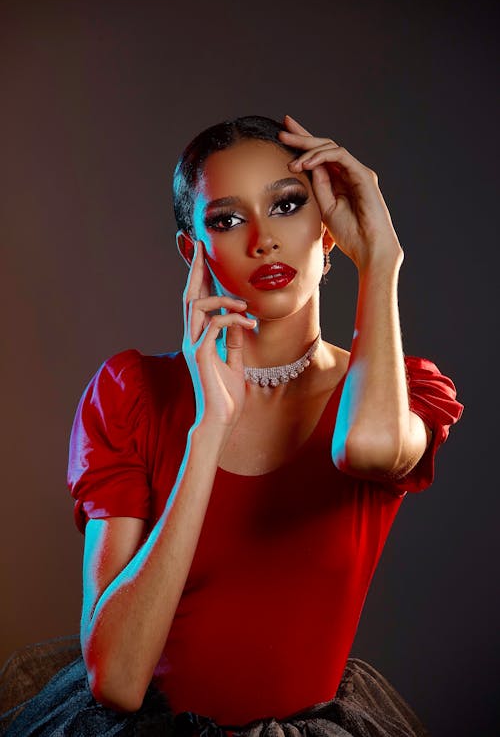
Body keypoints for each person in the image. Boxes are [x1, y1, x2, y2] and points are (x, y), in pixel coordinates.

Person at [2, 114, 464, 737]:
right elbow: (117, 680)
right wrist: (210, 427)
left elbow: (371, 449)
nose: (263, 241)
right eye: (226, 219)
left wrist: (382, 259)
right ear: (194, 251)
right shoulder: (132, 393)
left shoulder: (395, 392)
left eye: (288, 205)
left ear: (328, 232)